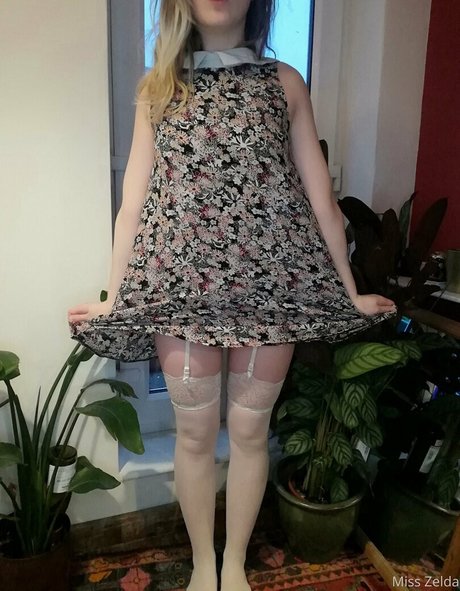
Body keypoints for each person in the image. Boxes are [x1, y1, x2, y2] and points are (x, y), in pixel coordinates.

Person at [68, 1, 397, 589]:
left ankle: (235, 563)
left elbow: (322, 200)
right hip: (180, 292)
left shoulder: (285, 83)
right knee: (194, 435)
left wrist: (349, 294)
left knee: (249, 432)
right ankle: (203, 564)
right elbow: (132, 206)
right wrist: (115, 299)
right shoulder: (157, 89)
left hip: (273, 290)